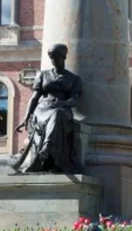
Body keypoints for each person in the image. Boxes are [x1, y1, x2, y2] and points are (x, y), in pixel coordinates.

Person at [13, 43, 82, 173]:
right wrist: (26, 118)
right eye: (51, 57)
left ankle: (47, 146)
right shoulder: (43, 75)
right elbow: (34, 98)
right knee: (55, 115)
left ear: (64, 57)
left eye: (56, 57)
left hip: (62, 109)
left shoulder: (74, 79)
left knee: (57, 114)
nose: (53, 60)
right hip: (42, 109)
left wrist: (61, 103)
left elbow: (75, 100)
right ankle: (47, 148)